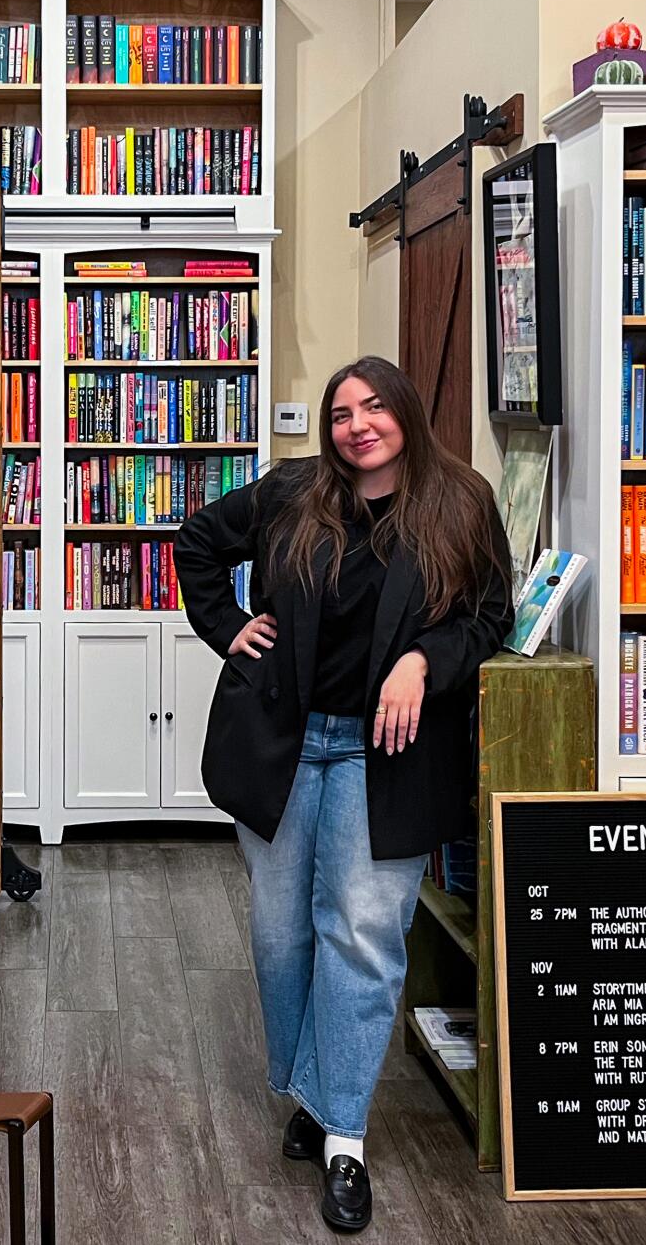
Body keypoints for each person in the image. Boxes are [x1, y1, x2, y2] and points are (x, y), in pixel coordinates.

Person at [175, 356, 514, 1234]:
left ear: (405, 410)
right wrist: (226, 629)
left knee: (363, 938)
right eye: (339, 413)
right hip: (284, 744)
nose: (356, 425)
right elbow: (199, 542)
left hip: (385, 754)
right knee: (282, 936)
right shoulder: (293, 494)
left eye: (372, 408)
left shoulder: (462, 502)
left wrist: (421, 661)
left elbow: (489, 615)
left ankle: (345, 1139)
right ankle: (313, 1094)